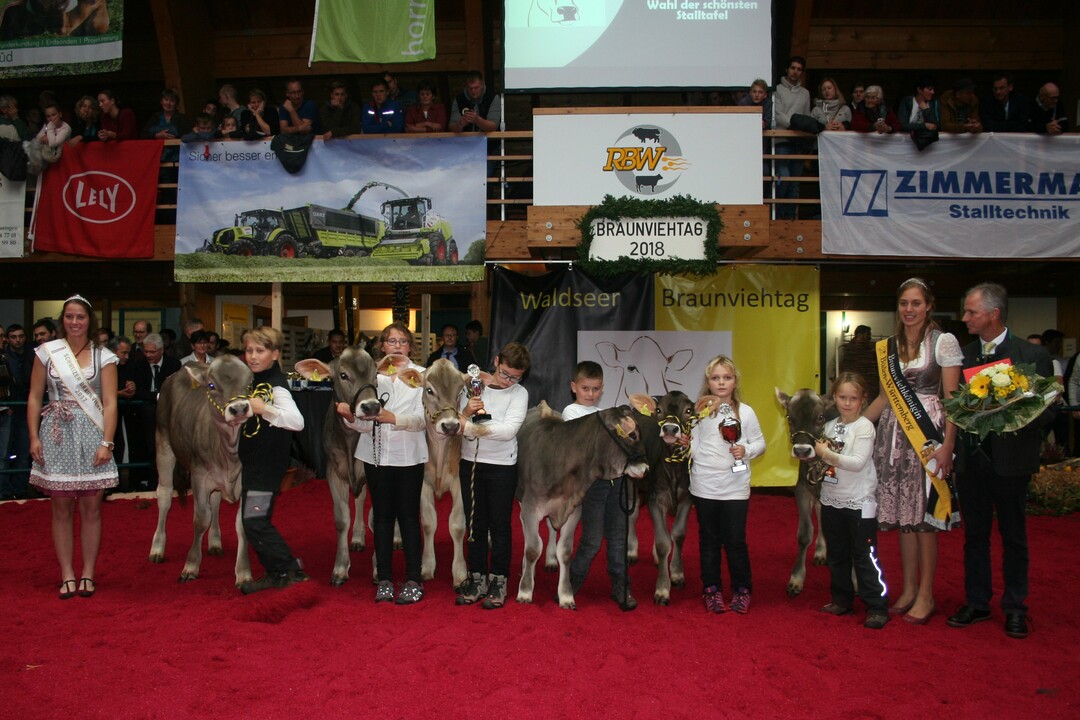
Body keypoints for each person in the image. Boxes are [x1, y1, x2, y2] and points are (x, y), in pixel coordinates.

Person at [948, 283, 1055, 639]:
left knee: (1014, 537)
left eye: (971, 312)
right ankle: (977, 602)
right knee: (974, 537)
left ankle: (1015, 607)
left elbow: (1046, 413)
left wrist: (1011, 415)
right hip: (972, 463)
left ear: (994, 313)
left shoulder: (1031, 356)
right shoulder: (962, 356)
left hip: (1011, 462)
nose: (965, 318)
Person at [864, 278, 962, 625]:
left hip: (928, 437)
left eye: (916, 303)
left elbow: (954, 401)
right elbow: (883, 398)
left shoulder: (943, 342)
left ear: (929, 305)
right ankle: (907, 590)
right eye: (904, 303)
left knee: (923, 520)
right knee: (906, 519)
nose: (909, 309)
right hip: (893, 438)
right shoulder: (887, 346)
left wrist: (948, 446)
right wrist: (853, 429)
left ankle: (927, 594)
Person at [27, 295, 119, 599]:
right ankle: (67, 573)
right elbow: (34, 396)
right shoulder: (47, 353)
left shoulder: (103, 356)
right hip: (57, 434)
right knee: (61, 507)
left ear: (89, 320)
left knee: (92, 508)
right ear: (62, 319)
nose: (75, 322)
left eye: (80, 317)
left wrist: (107, 441)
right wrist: (33, 437)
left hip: (92, 434)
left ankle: (88, 573)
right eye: (69, 317)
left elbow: (109, 401)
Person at [338, 322, 427, 603]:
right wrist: (351, 418)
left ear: (411, 346)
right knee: (382, 518)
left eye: (402, 341)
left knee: (410, 519)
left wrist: (395, 419)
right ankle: (385, 578)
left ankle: (414, 579)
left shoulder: (423, 376)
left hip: (410, 456)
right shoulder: (372, 374)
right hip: (375, 457)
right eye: (391, 340)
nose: (397, 345)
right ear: (382, 345)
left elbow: (426, 420)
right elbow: (365, 426)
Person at [455, 341, 530, 609]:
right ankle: (477, 577)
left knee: (499, 525)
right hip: (470, 463)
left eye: (516, 377)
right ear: (496, 361)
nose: (509, 380)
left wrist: (471, 425)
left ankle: (499, 579)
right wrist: (466, 415)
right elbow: (456, 422)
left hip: (502, 466)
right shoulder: (473, 385)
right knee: (474, 524)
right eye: (505, 373)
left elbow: (508, 431)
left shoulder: (519, 394)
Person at [233, 326, 308, 594]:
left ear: (275, 354)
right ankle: (278, 572)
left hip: (266, 467)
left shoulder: (276, 387)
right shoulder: (256, 382)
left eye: (259, 351)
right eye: (249, 350)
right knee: (253, 521)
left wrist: (264, 408)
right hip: (255, 465)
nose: (252, 356)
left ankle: (289, 570)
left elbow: (296, 422)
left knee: (255, 521)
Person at [690, 355, 766, 615]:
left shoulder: (746, 412)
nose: (721, 382)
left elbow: (760, 443)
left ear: (735, 381)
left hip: (735, 486)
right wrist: (683, 446)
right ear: (708, 382)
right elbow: (693, 446)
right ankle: (711, 589)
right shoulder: (698, 412)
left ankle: (742, 589)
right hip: (704, 485)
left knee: (735, 540)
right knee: (709, 540)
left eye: (727, 377)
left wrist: (746, 449)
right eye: (715, 378)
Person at [814, 372, 890, 630]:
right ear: (834, 397)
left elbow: (857, 463)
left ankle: (877, 606)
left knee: (864, 555)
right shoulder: (828, 426)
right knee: (837, 554)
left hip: (859, 502)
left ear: (863, 400)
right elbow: (821, 460)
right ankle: (841, 598)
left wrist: (826, 455)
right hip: (832, 499)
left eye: (853, 398)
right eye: (842, 397)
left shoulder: (865, 427)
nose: (847, 403)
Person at [565, 361, 636, 610]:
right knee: (593, 539)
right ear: (574, 387)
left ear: (602, 388)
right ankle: (570, 585)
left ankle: (621, 586)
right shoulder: (571, 413)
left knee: (619, 537)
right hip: (593, 485)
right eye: (585, 388)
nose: (591, 394)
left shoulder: (606, 413)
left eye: (596, 389)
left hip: (617, 482)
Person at [771, 56, 810, 219]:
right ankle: (778, 217)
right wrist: (795, 125)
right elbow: (778, 115)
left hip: (798, 142)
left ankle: (790, 220)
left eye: (799, 69)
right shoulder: (777, 90)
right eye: (793, 68)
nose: (795, 72)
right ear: (787, 69)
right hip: (782, 140)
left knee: (794, 183)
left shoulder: (805, 93)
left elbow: (806, 116)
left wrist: (802, 128)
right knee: (784, 178)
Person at [839, 325, 879, 399]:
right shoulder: (846, 349)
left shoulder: (872, 350)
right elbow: (832, 368)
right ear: (860, 335)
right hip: (853, 385)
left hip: (868, 388)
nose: (870, 337)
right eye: (868, 335)